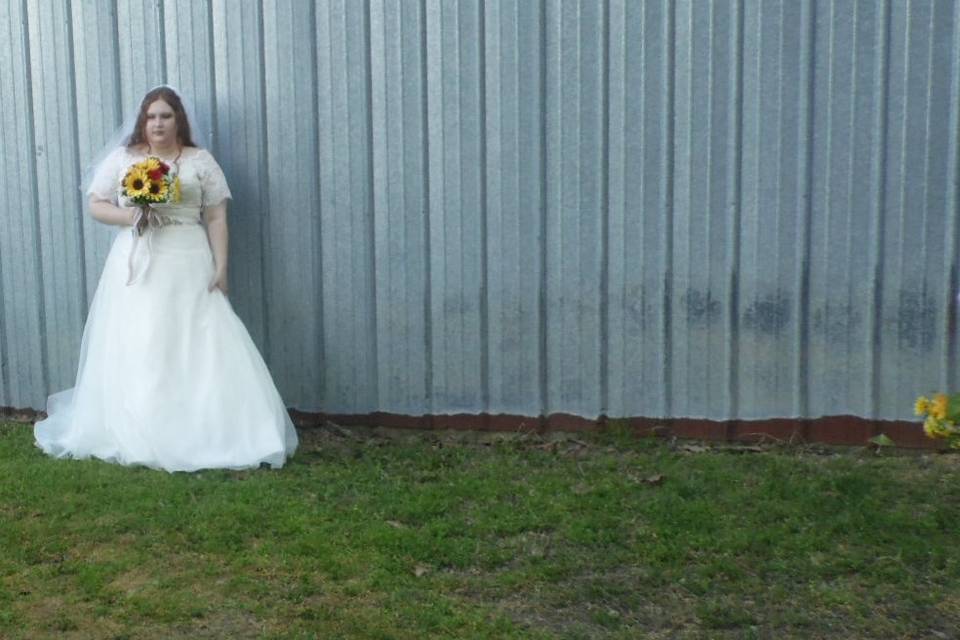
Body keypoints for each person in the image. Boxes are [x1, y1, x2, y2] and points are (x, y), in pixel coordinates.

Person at [33, 86, 298, 472]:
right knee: (144, 337)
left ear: (179, 121)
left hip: (188, 256)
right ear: (144, 120)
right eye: (152, 116)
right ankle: (143, 424)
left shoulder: (200, 161)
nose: (158, 123)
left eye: (166, 116)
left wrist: (221, 267)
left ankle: (209, 427)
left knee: (198, 337)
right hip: (138, 259)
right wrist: (132, 216)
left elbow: (216, 217)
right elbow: (96, 203)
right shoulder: (125, 158)